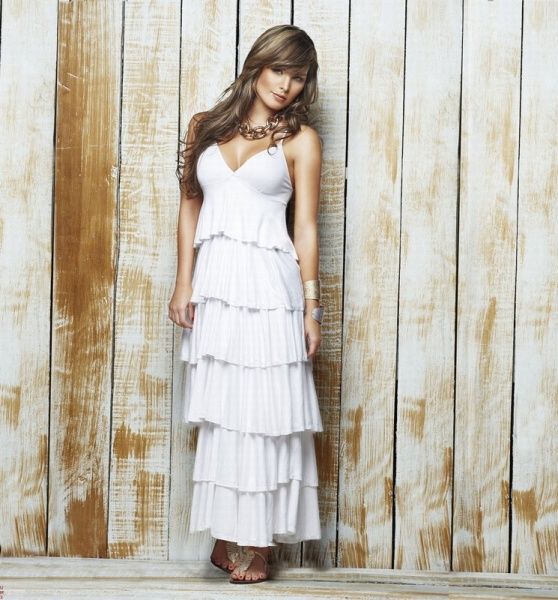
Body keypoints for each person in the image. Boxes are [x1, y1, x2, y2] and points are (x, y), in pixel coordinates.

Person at [169, 24, 324, 584]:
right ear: (258, 65)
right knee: (224, 412)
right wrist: (183, 282)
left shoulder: (300, 141)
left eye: (299, 77)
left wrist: (311, 308)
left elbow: (304, 228)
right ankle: (227, 532)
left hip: (269, 289)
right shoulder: (204, 127)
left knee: (264, 412)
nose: (287, 84)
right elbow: (190, 206)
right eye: (280, 69)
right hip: (216, 287)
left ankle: (256, 542)